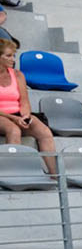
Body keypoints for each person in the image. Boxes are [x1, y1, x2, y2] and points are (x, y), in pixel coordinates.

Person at [0, 39, 57, 173]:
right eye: (8, 56)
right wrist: (13, 118)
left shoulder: (18, 75)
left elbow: (24, 101)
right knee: (14, 130)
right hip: (2, 115)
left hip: (17, 114)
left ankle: (55, 175)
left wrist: (26, 115)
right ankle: (13, 174)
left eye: (14, 55)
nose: (13, 59)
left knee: (44, 132)